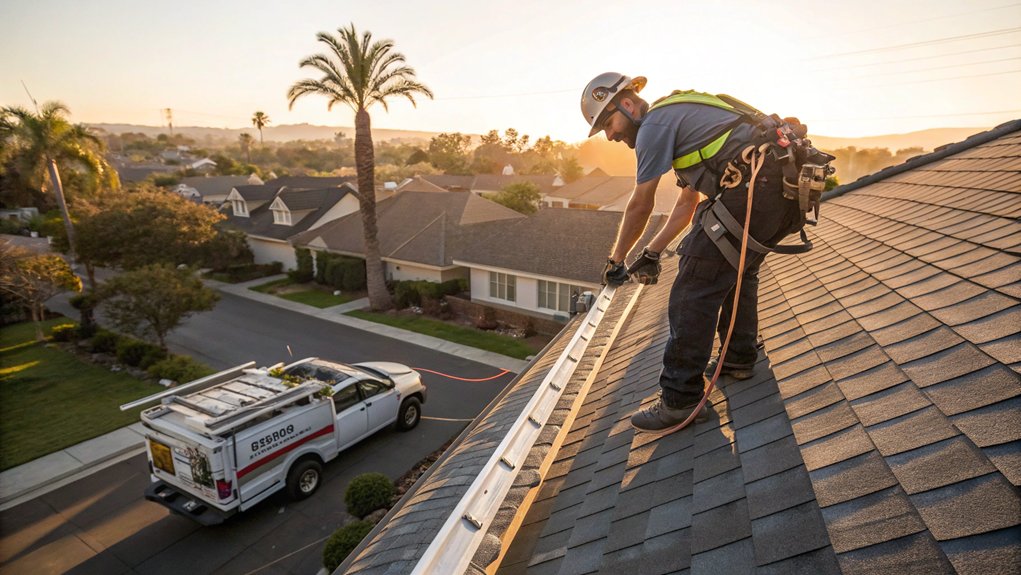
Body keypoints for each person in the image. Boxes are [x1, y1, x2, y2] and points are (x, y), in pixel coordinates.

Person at [581, 72, 817, 435]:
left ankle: (680, 400)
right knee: (737, 269)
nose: (610, 135)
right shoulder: (681, 120)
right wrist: (651, 252)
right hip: (777, 191)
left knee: (694, 285)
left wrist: (616, 261)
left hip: (757, 186)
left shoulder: (654, 126)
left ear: (627, 105)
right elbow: (686, 205)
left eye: (608, 123)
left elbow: (640, 204)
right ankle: (738, 357)